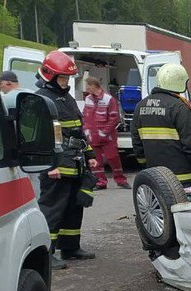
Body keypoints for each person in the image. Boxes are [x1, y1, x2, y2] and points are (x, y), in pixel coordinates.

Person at [34, 50, 98, 269]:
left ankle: (70, 247)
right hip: (56, 167)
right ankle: (47, 253)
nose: (66, 81)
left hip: (74, 162)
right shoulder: (41, 99)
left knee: (73, 208)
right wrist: (49, 165)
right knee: (52, 209)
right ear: (49, 75)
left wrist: (89, 155)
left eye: (68, 78)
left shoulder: (66, 98)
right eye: (63, 77)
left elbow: (77, 131)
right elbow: (39, 138)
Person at [131, 62, 191, 188]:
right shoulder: (179, 107)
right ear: (180, 82)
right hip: (181, 176)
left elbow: (137, 143)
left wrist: (145, 165)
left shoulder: (140, 106)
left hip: (155, 177)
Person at [81, 77, 128, 189]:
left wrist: (104, 132)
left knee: (113, 158)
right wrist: (86, 130)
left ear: (93, 86)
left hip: (107, 137)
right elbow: (85, 115)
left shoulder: (109, 99)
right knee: (96, 161)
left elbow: (114, 118)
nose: (86, 88)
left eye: (88, 86)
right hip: (92, 136)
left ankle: (121, 180)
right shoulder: (88, 99)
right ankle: (100, 182)